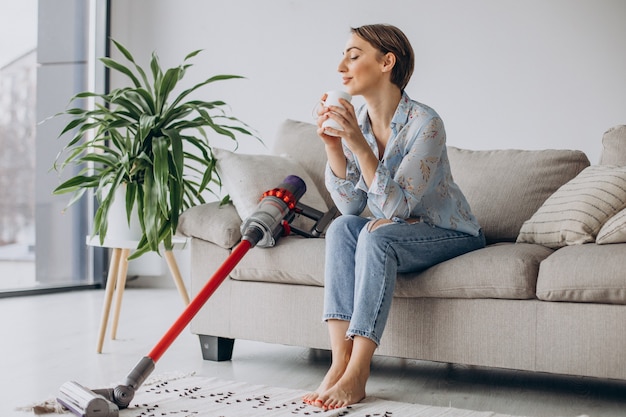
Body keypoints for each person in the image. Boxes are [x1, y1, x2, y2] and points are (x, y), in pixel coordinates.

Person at [302, 24, 486, 410]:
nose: (341, 66)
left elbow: (395, 210)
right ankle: (338, 363)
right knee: (341, 228)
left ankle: (358, 374)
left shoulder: (426, 124)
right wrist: (334, 146)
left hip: (450, 232)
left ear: (388, 62)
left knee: (376, 235)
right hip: (399, 230)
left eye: (353, 56)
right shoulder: (362, 124)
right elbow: (351, 207)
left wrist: (354, 142)